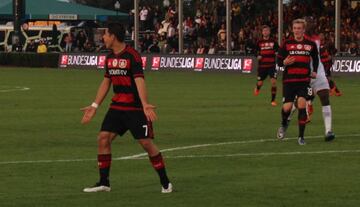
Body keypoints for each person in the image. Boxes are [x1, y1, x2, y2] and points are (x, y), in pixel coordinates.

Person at [81, 23, 172, 193]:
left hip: (134, 108)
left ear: (113, 36)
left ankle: (166, 182)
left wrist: (145, 103)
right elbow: (106, 81)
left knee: (146, 143)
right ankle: (104, 182)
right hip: (117, 106)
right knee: (103, 138)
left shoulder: (132, 56)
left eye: (105, 34)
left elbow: (139, 80)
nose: (103, 38)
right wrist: (94, 105)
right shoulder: (109, 58)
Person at [276, 19, 319, 145]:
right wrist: (284, 62)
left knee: (301, 105)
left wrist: (315, 71)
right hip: (289, 80)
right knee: (287, 107)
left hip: (303, 80)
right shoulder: (286, 44)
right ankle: (284, 124)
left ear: (303, 30)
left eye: (299, 28)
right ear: (292, 29)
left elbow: (315, 58)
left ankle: (301, 137)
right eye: (295, 28)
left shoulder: (310, 44)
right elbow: (279, 62)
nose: (297, 30)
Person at [253, 25, 279, 106]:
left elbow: (278, 50)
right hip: (262, 66)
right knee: (260, 83)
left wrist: (277, 53)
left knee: (274, 82)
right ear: (262, 32)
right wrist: (257, 56)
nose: (265, 32)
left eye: (267, 31)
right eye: (264, 31)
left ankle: (273, 101)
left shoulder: (274, 41)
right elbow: (254, 51)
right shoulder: (259, 42)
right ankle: (257, 88)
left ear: (269, 32)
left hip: (271, 65)